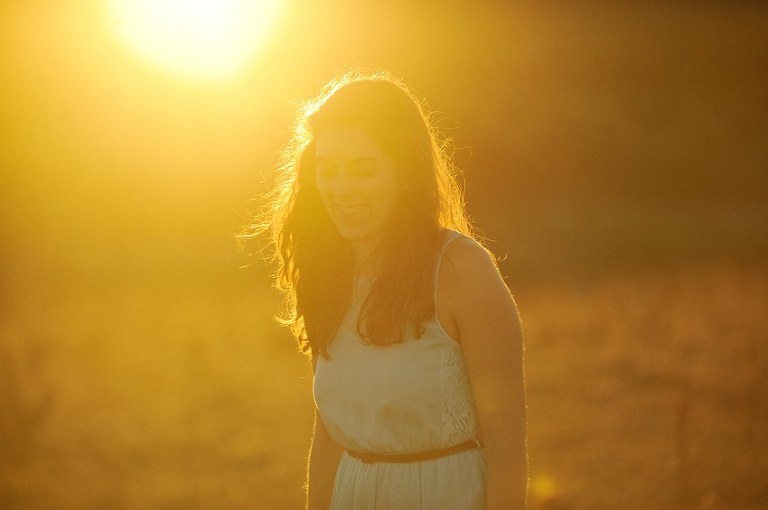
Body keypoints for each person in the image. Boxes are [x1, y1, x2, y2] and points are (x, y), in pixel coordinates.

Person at [255, 70, 527, 509]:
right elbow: (329, 433)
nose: (343, 189)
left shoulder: (462, 269)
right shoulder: (327, 273)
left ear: (404, 172)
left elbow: (508, 447)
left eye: (365, 170)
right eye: (329, 170)